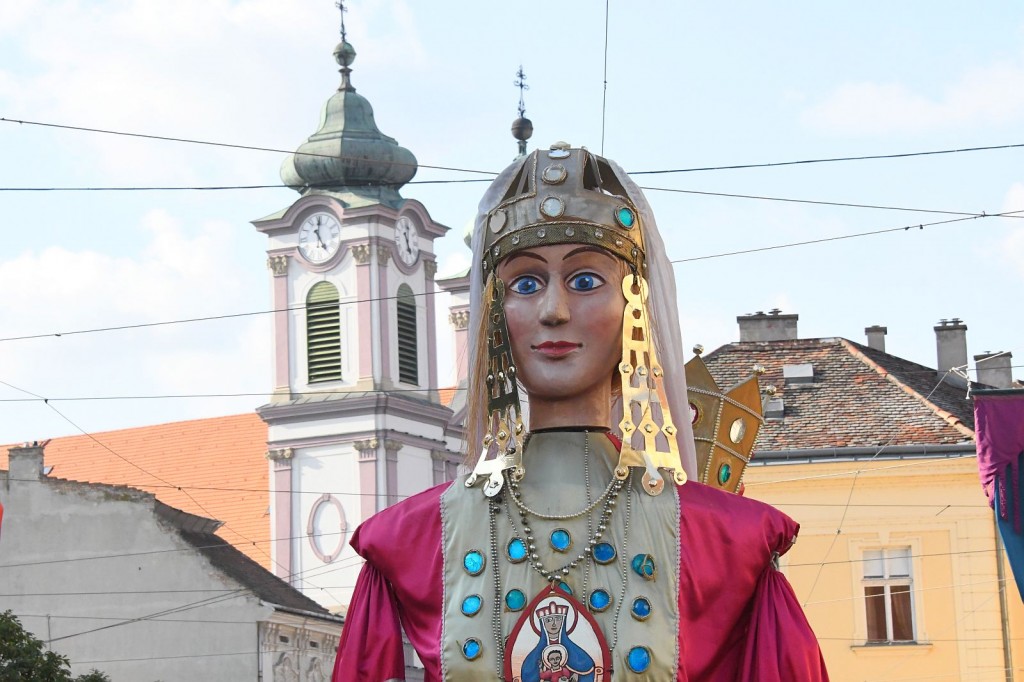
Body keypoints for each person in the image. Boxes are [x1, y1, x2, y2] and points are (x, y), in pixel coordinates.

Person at [332, 143, 828, 681]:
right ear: (496, 314)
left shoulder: (725, 542)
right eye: (526, 283)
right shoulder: (414, 541)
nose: (554, 311)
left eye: (585, 280)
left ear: (633, 307)